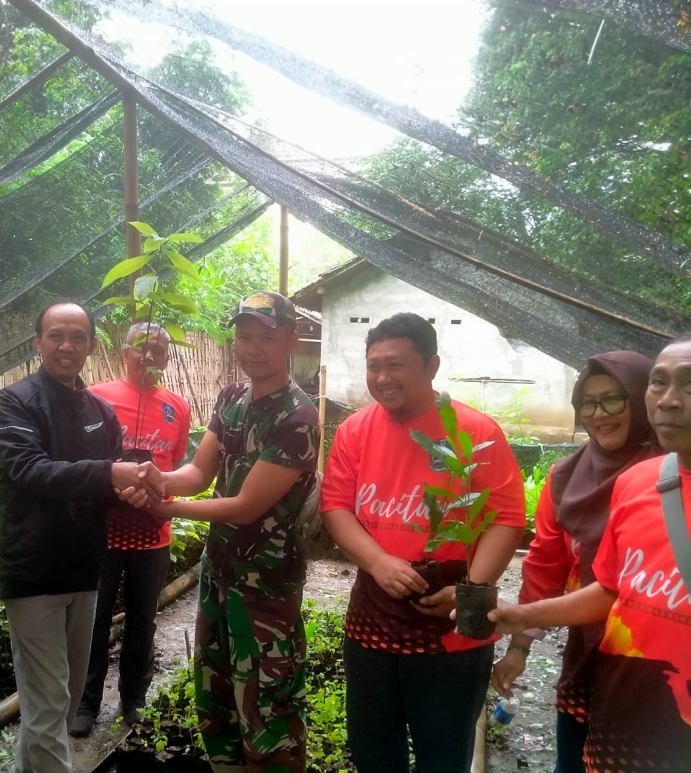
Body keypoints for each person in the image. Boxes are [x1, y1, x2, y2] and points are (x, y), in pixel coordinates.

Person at [320, 312, 525, 773]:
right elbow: (335, 506)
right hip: (373, 616)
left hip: (451, 618)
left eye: (395, 365)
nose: (382, 378)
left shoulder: (474, 432)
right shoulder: (355, 430)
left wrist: (472, 590)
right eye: (374, 366)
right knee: (374, 749)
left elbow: (506, 518)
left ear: (431, 366)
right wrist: (378, 562)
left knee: (444, 755)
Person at [489, 335, 691, 773]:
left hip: (670, 676)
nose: (599, 414)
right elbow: (548, 565)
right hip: (593, 653)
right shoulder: (570, 478)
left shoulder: (672, 468)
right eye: (588, 403)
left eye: (614, 399)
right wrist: (520, 642)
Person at [136, 291, 319, 773]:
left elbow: (245, 507)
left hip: (265, 587)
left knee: (267, 706)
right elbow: (198, 473)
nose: (253, 348)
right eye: (245, 336)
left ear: (290, 342)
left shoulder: (298, 418)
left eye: (267, 338)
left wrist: (166, 507)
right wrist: (157, 479)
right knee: (216, 694)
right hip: (219, 574)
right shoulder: (231, 398)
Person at [0, 299, 163, 773]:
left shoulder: (101, 412)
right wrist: (109, 472)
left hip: (85, 571)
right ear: (38, 343)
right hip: (34, 573)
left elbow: (106, 489)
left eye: (78, 337)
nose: (66, 346)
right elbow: (30, 471)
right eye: (56, 335)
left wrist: (136, 492)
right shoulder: (14, 402)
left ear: (91, 345)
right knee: (48, 707)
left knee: (59, 704)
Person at [71, 323, 191, 736]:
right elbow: (81, 461)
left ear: (167, 358)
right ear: (125, 353)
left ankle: (134, 698)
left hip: (153, 533)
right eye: (141, 347)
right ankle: (85, 703)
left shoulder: (177, 406)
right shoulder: (96, 398)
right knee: (94, 619)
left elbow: (175, 464)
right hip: (100, 531)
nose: (149, 356)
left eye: (159, 349)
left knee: (144, 620)